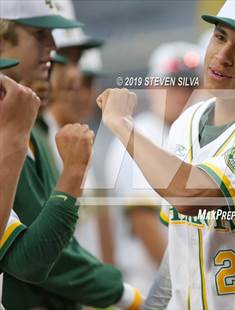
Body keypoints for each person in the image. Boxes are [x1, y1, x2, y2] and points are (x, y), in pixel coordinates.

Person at [97, 0, 235, 309]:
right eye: (220, 37)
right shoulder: (188, 123)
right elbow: (179, 249)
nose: (222, 56)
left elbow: (190, 195)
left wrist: (121, 125)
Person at [0, 1, 141, 309]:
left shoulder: (35, 130)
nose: (54, 49)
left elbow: (68, 246)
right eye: (40, 34)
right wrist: (126, 295)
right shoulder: (23, 130)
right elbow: (30, 261)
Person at [104, 41, 200, 294]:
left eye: (189, 85)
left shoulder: (188, 137)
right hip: (152, 287)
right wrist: (186, 287)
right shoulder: (143, 133)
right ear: (152, 87)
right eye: (173, 84)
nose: (181, 93)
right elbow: (143, 221)